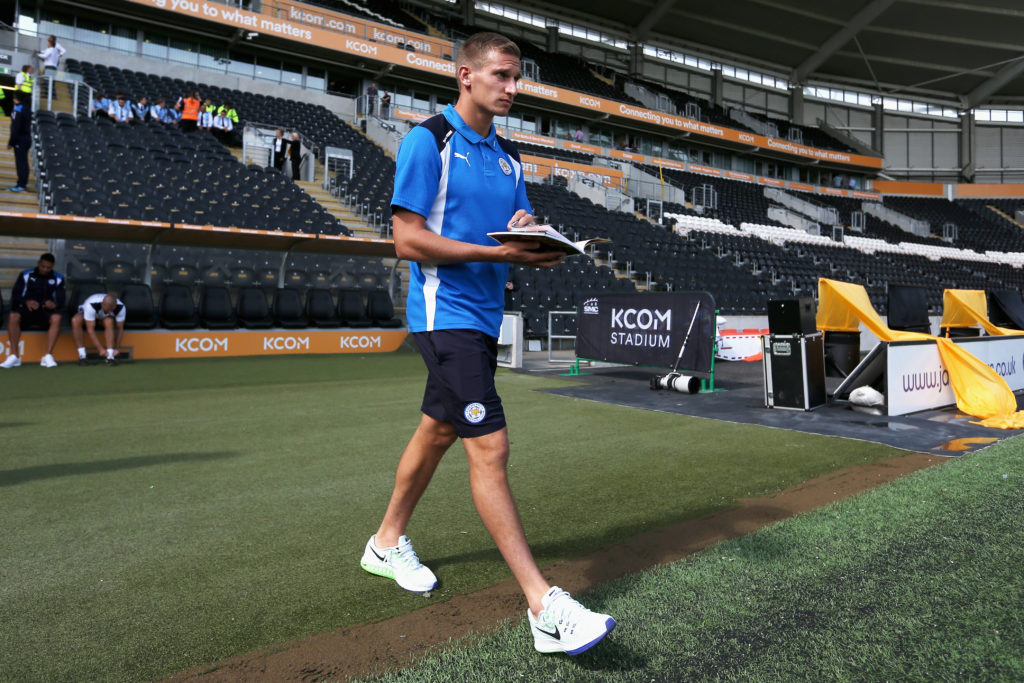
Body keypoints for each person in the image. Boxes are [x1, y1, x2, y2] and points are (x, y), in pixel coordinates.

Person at [360, 31, 616, 656]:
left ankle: (386, 542)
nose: (512, 87)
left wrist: (535, 239)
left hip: (481, 315)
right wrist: (492, 251)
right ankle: (543, 606)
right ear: (465, 76)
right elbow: (407, 240)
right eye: (501, 75)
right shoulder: (429, 141)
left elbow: (516, 229)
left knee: (438, 430)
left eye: (517, 77)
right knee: (490, 448)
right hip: (441, 313)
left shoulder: (509, 159)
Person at [1, 253, 65, 369]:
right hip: (27, 310)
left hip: (45, 312)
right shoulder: (26, 274)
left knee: (57, 317)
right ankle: (15, 356)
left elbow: (61, 300)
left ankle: (47, 356)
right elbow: (15, 294)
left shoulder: (58, 278)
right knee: (13, 316)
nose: (45, 269)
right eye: (43, 266)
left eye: (48, 267)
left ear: (52, 266)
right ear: (39, 263)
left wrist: (54, 304)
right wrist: (26, 301)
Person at [71, 293, 126, 365]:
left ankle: (110, 356)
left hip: (104, 319)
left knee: (109, 321)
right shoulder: (91, 305)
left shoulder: (121, 307)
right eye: (107, 310)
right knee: (75, 320)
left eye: (112, 310)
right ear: (102, 304)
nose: (109, 312)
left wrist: (117, 349)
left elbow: (120, 329)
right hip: (89, 314)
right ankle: (82, 355)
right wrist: (100, 349)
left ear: (115, 306)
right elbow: (90, 330)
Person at [7, 91, 32, 193]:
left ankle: (21, 185)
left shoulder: (18, 110)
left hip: (20, 140)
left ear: (16, 98)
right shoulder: (27, 108)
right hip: (26, 138)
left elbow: (16, 128)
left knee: (21, 163)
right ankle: (22, 184)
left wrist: (11, 142)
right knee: (23, 162)